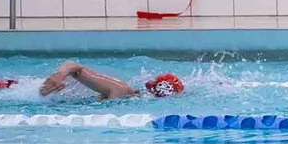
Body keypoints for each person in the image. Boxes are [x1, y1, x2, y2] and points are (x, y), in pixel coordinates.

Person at [38, 62, 183, 101]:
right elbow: (73, 66)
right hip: (41, 96)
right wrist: (60, 75)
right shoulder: (120, 89)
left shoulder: (125, 94)